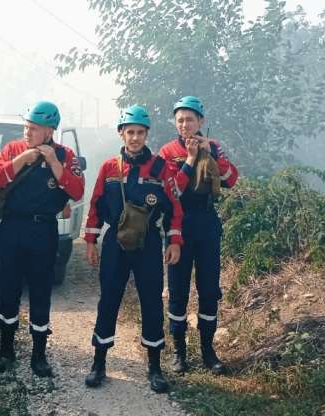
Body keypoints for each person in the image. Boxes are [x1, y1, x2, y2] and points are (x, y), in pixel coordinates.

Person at [82, 105, 183, 393]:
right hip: (115, 243)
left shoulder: (162, 169)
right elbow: (95, 206)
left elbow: (175, 209)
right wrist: (91, 242)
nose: (135, 138)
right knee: (109, 300)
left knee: (151, 301)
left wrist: (174, 241)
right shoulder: (109, 168)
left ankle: (154, 367)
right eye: (130, 132)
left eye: (140, 133)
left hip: (148, 243)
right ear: (121, 134)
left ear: (147, 134)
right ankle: (98, 362)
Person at [0, 101, 85, 377]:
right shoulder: (13, 149)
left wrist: (53, 162)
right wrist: (20, 161)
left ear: (50, 130)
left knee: (41, 290)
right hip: (12, 228)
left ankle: (39, 354)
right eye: (26, 127)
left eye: (34, 128)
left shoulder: (65, 155)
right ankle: (5, 349)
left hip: (43, 230)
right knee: (8, 288)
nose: (27, 133)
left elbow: (77, 192)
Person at [158, 96, 239, 375]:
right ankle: (179, 352)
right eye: (180, 120)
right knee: (178, 290)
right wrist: (191, 160)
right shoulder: (168, 152)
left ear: (200, 121)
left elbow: (231, 180)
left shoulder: (213, 147)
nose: (185, 125)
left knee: (208, 289)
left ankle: (208, 350)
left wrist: (211, 154)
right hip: (178, 224)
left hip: (206, 223)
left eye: (190, 119)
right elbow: (172, 193)